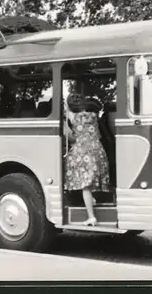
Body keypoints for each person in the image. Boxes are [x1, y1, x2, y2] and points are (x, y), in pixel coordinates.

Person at [64, 92, 110, 226]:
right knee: (90, 182)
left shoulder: (73, 118)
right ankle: (92, 201)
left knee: (85, 186)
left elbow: (70, 136)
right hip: (97, 150)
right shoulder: (94, 116)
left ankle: (91, 217)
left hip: (83, 153)